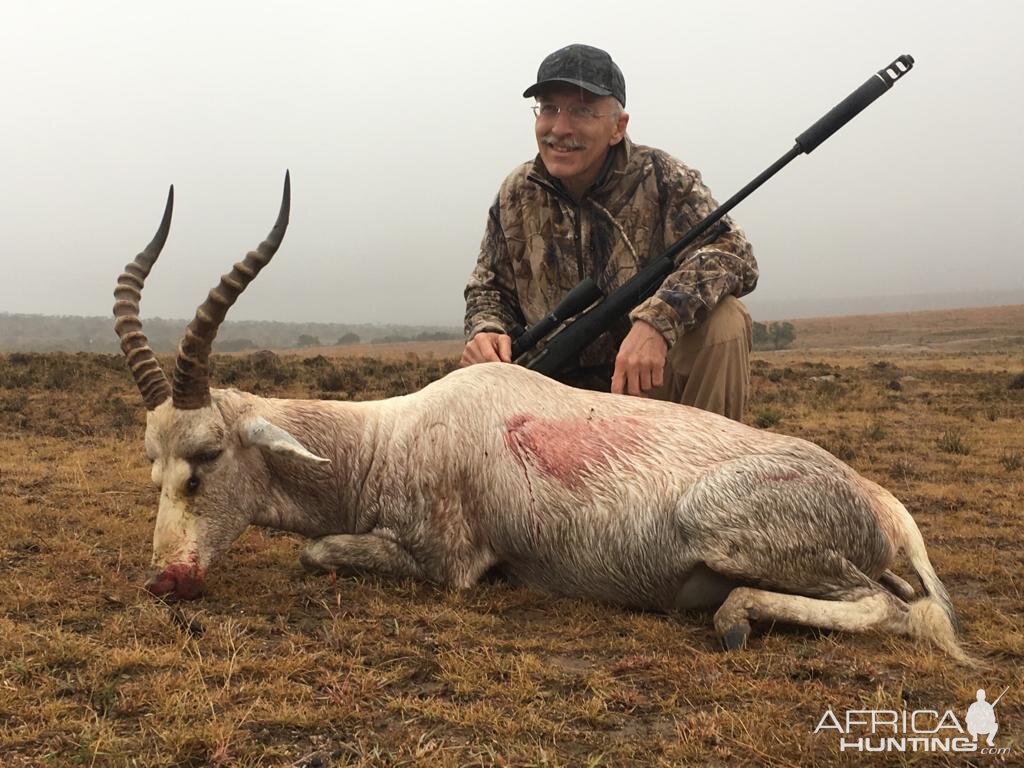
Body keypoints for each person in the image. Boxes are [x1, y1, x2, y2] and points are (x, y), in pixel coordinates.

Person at [461, 44, 758, 420]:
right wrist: (485, 331)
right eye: (549, 108)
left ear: (618, 127)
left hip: (643, 383)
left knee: (725, 321)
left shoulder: (663, 177)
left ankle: (715, 470)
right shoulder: (517, 190)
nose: (559, 128)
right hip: (546, 387)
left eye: (582, 110)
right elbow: (488, 288)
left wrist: (657, 321)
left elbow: (732, 251)